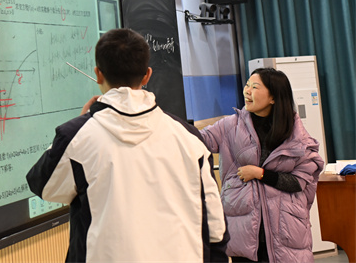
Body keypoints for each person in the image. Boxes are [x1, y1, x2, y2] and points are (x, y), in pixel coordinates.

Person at [26, 28, 228, 262]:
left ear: (98, 74)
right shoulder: (189, 137)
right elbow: (215, 227)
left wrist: (77, 128)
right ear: (147, 75)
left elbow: (43, 185)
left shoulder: (77, 137)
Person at [200, 67, 324, 262]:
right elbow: (200, 139)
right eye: (247, 85)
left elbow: (298, 182)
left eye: (255, 87)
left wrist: (260, 174)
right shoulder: (230, 125)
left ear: (273, 97)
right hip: (244, 232)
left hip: (285, 231)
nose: (247, 91)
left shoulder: (297, 135)